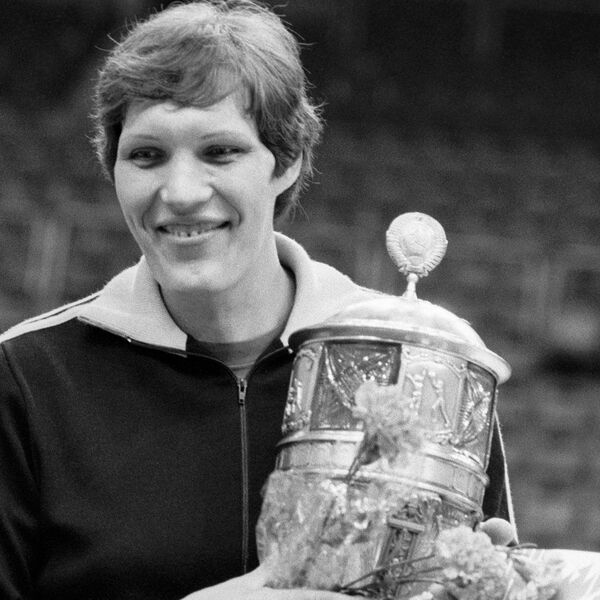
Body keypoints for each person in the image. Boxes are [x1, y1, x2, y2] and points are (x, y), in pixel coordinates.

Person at [0, 1, 515, 599]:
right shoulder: (27, 378)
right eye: (146, 155)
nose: (181, 192)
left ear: (287, 161)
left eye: (220, 152)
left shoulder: (418, 363)